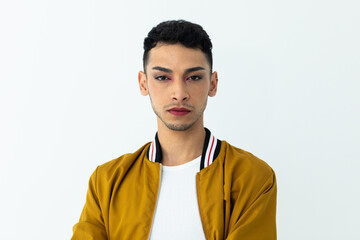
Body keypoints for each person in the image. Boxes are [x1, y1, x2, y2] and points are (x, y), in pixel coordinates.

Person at [71, 20, 277, 240]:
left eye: (194, 77)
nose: (179, 93)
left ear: (213, 84)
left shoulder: (252, 177)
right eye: (162, 78)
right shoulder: (107, 181)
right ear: (143, 83)